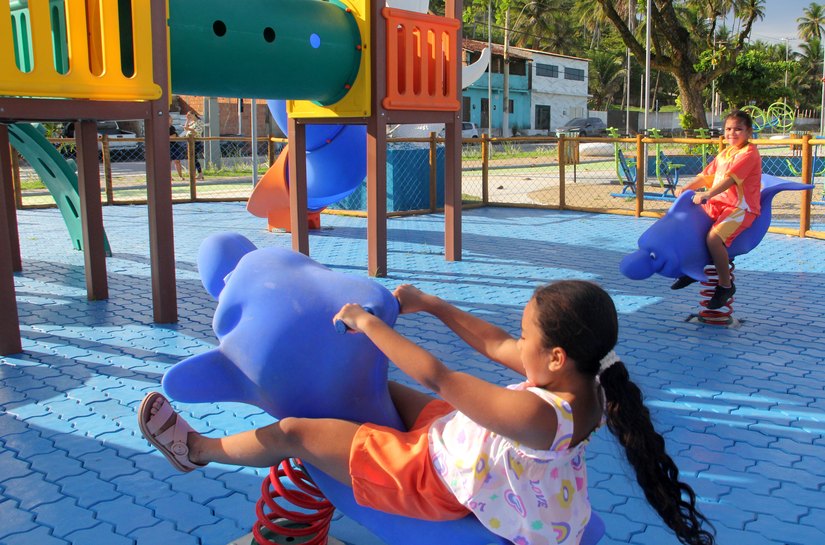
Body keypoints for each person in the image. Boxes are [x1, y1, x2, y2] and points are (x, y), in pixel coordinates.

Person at [138, 280, 716, 545]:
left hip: (436, 477)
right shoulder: (591, 378)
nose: (518, 341)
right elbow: (493, 345)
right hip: (472, 446)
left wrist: (372, 325)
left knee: (296, 432)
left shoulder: (538, 417)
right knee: (382, 389)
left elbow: (440, 376)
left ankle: (198, 452)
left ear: (557, 356)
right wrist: (432, 304)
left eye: (527, 334)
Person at [671, 110, 762, 309]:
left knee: (713, 238)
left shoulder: (749, 154)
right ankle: (693, 268)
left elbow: (730, 180)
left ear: (748, 132)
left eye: (738, 129)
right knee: (692, 227)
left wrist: (707, 194)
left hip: (740, 208)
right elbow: (706, 176)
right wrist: (687, 188)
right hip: (719, 204)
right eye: (728, 129)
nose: (732, 133)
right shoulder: (726, 153)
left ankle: (725, 285)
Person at [183, 110, 205, 180]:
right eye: (188, 116)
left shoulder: (199, 122)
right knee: (191, 158)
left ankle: (200, 173)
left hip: (196, 142)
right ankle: (195, 173)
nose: (189, 117)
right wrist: (187, 120)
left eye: (190, 115)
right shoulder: (192, 123)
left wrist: (189, 129)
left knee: (194, 158)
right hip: (190, 142)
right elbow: (185, 128)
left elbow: (197, 132)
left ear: (194, 114)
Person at [169, 117, 185, 181]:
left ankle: (180, 176)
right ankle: (169, 176)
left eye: (171, 119)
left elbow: (174, 136)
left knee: (177, 161)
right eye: (169, 119)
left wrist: (171, 137)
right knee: (168, 162)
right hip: (166, 146)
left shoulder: (172, 127)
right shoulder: (162, 127)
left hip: (174, 145)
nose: (171, 121)